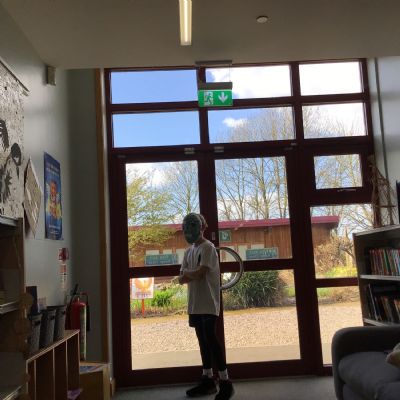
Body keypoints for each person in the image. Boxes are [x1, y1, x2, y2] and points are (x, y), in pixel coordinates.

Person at [178, 213, 234, 399]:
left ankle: (226, 382)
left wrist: (188, 273)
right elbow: (182, 278)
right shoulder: (188, 251)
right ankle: (208, 380)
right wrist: (189, 274)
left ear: (202, 227)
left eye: (193, 225)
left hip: (209, 302)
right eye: (186, 226)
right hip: (194, 303)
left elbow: (199, 273)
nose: (189, 230)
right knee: (202, 341)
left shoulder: (208, 247)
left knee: (211, 339)